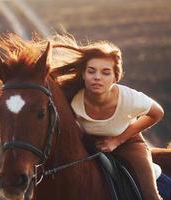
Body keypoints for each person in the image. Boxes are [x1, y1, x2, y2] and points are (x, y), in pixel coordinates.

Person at [50, 34, 164, 200]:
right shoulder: (72, 98)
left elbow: (157, 113)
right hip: (87, 144)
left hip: (127, 142)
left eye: (105, 72)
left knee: (150, 196)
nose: (97, 77)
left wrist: (117, 140)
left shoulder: (129, 98)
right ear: (83, 75)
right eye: (91, 71)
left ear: (115, 77)